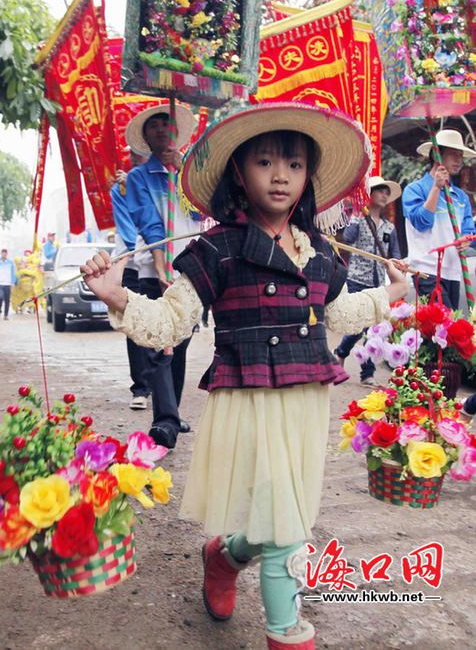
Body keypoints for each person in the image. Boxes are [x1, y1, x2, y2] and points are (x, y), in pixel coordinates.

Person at [80, 102, 409, 650]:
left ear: (308, 177)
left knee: (278, 519)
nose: (281, 175)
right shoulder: (216, 248)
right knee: (287, 536)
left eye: (295, 165)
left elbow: (337, 316)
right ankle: (288, 634)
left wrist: (391, 294)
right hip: (248, 401)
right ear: (239, 170)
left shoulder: (319, 250)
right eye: (265, 162)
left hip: (305, 404)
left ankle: (224, 556)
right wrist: (116, 294)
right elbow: (169, 322)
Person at [123, 104, 201, 447]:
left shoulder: (193, 173)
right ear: (146, 138)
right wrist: (159, 262)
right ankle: (164, 420)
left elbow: (202, 211)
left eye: (165, 124)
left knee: (181, 342)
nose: (160, 130)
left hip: (190, 267)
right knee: (158, 343)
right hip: (154, 269)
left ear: (176, 133)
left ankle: (174, 412)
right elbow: (148, 222)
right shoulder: (139, 178)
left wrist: (184, 171)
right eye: (153, 127)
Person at [334, 175, 402, 386]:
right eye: (380, 191)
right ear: (370, 195)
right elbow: (348, 237)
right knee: (358, 325)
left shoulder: (389, 228)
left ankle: (364, 371)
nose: (384, 195)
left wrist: (398, 267)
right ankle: (345, 353)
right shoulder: (359, 219)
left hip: (378, 282)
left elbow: (395, 254)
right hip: (356, 279)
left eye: (386, 192)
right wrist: (357, 213)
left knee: (372, 330)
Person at [402, 129, 476, 310]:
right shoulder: (415, 190)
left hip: (453, 271)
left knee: (447, 332)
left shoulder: (460, 197)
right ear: (437, 155)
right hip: (426, 271)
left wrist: (466, 241)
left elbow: (468, 230)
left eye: (460, 155)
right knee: (444, 325)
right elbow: (422, 222)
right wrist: (436, 188)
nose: (459, 160)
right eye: (453, 155)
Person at [110, 150, 150, 411]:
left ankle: (162, 383)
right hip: (132, 264)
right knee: (134, 324)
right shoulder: (121, 187)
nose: (136, 154)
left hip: (160, 265)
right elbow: (126, 230)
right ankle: (141, 388)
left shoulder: (163, 181)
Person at [0, 249, 16, 320]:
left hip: (7, 284)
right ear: (1, 254)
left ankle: (6, 315)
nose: (4, 255)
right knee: (0, 298)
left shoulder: (10, 263)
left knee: (7, 300)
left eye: (5, 253)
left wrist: (13, 282)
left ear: (6, 254)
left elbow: (13, 273)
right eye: (2, 253)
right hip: (0, 284)